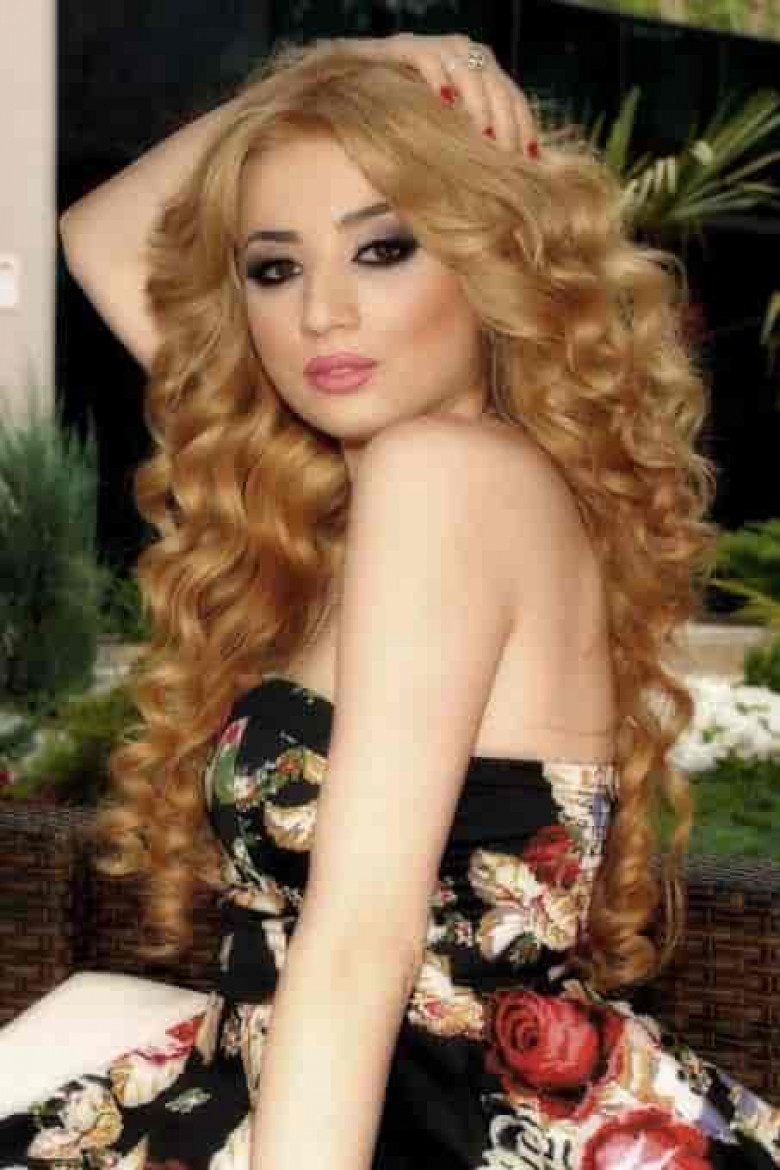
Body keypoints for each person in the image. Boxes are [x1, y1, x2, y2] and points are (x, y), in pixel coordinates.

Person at [1, 29, 778, 1170]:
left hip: (414, 1119)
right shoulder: (359, 503)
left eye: (384, 250)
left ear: (484, 263)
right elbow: (100, 234)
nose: (322, 314)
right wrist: (356, 66)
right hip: (320, 1082)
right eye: (275, 268)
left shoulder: (440, 477)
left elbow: (360, 945)